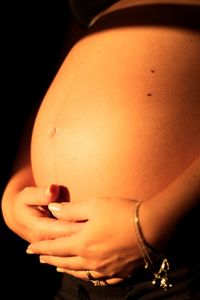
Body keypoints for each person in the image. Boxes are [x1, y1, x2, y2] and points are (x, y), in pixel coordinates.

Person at [1, 0, 200, 299]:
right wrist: (18, 182)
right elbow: (69, 66)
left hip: (174, 257)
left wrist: (154, 223)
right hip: (75, 267)